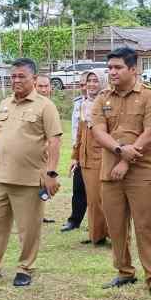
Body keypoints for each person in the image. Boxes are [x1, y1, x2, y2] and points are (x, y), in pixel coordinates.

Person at [0, 58, 62, 287]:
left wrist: (51, 174)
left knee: (28, 229)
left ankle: (25, 268)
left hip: (29, 180)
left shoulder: (45, 106)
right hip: (1, 178)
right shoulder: (4, 104)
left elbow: (55, 141)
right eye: (13, 77)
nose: (16, 81)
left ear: (34, 79)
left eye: (22, 76)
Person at [91, 46, 151, 298]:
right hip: (110, 172)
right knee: (115, 226)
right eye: (110, 68)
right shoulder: (102, 98)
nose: (112, 72)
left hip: (141, 172)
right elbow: (98, 131)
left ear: (133, 69)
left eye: (117, 67)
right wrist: (118, 150)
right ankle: (124, 271)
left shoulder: (149, 96)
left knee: (149, 225)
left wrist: (127, 158)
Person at [71, 71, 109, 245]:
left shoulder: (107, 103)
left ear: (102, 82)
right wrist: (75, 156)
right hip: (85, 158)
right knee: (92, 199)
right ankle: (96, 234)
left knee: (103, 198)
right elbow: (80, 133)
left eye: (95, 81)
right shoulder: (84, 104)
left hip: (100, 157)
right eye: (89, 81)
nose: (92, 84)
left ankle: (111, 234)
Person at [61, 76, 88, 232]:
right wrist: (74, 152)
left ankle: (98, 225)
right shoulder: (78, 102)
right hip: (79, 150)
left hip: (96, 152)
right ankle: (74, 220)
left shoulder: (102, 102)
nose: (84, 87)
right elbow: (75, 128)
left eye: (89, 83)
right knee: (78, 187)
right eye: (82, 84)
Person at [34, 74, 57, 224]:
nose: (43, 89)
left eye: (46, 86)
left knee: (44, 186)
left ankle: (39, 214)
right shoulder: (32, 105)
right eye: (40, 86)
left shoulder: (49, 105)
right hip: (32, 156)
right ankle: (32, 215)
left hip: (46, 154)